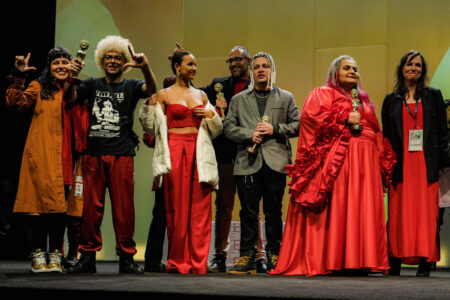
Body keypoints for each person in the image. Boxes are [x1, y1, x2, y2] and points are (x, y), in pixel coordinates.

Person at [272, 55, 396, 276]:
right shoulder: (323, 93)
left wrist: (379, 156)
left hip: (365, 165)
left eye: (355, 68)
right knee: (341, 206)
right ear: (334, 73)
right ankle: (337, 259)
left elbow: (376, 130)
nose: (353, 71)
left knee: (361, 208)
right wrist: (343, 119)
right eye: (347, 67)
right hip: (342, 161)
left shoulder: (364, 102)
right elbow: (312, 119)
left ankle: (360, 260)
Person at [66, 35, 157, 274]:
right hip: (93, 154)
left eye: (118, 57)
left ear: (125, 61)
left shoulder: (131, 86)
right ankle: (87, 257)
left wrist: (145, 66)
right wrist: (71, 77)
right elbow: (69, 97)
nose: (113, 61)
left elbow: (152, 90)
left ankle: (127, 258)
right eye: (109, 57)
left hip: (122, 154)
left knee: (124, 210)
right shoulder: (92, 84)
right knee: (90, 210)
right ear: (101, 60)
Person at [139, 50, 222, 274]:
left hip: (198, 150)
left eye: (195, 64)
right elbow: (150, 127)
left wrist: (212, 117)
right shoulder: (164, 95)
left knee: (199, 208)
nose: (194, 68)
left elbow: (215, 130)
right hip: (175, 149)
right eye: (189, 64)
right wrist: (148, 106)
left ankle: (198, 261)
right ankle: (177, 259)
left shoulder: (202, 96)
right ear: (177, 67)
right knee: (176, 207)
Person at [5, 47, 84, 273]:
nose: (60, 66)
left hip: (66, 155)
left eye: (64, 62)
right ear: (49, 67)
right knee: (38, 208)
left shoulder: (75, 88)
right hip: (42, 155)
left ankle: (56, 255)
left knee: (61, 209)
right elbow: (15, 103)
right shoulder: (39, 87)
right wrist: (18, 75)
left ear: (71, 66)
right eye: (56, 62)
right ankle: (38, 253)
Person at [223, 52, 300, 274]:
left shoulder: (285, 97)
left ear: (271, 70)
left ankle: (276, 255)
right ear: (251, 70)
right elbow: (227, 128)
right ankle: (247, 256)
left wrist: (274, 129)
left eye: (265, 66)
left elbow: (297, 124)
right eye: (256, 66)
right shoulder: (238, 100)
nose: (260, 70)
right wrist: (249, 134)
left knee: (274, 212)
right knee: (248, 212)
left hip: (275, 162)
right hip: (248, 161)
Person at [381, 50, 450, 277]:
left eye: (419, 65)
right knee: (399, 216)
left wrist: (444, 162)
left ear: (423, 71)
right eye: (410, 64)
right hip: (401, 166)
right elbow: (387, 137)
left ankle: (423, 264)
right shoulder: (391, 100)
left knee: (425, 216)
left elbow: (441, 134)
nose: (414, 68)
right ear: (402, 68)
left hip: (425, 164)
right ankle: (395, 263)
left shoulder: (434, 96)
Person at [200, 46, 267, 273]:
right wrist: (176, 67)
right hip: (226, 156)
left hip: (251, 154)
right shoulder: (219, 85)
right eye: (230, 61)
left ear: (248, 60)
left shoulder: (258, 84)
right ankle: (220, 255)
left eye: (238, 59)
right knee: (224, 207)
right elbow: (193, 92)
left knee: (252, 208)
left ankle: (258, 256)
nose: (233, 64)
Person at [143, 76, 176, 273]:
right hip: (166, 169)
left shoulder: (193, 102)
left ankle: (178, 258)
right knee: (160, 216)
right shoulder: (160, 108)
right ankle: (152, 260)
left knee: (180, 217)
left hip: (187, 167)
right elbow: (148, 139)